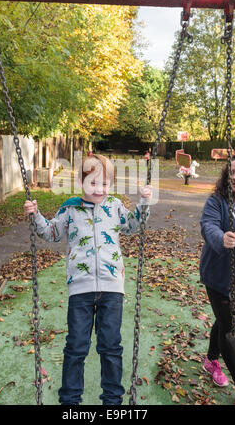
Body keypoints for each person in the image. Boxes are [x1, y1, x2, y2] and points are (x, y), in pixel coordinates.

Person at [24, 153, 153, 405]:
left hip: (112, 288)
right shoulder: (70, 208)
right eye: (92, 183)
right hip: (80, 289)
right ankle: (70, 401)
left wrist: (144, 202)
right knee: (76, 346)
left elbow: (132, 225)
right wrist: (35, 214)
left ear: (111, 185)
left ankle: (113, 401)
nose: (99, 189)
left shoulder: (114, 206)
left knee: (111, 346)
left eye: (104, 184)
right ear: (81, 182)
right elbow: (51, 232)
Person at [200, 151, 235, 405]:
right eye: (231, 171)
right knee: (230, 330)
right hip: (221, 280)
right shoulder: (218, 202)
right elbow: (207, 225)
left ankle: (211, 361)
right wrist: (221, 238)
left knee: (224, 324)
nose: (234, 176)